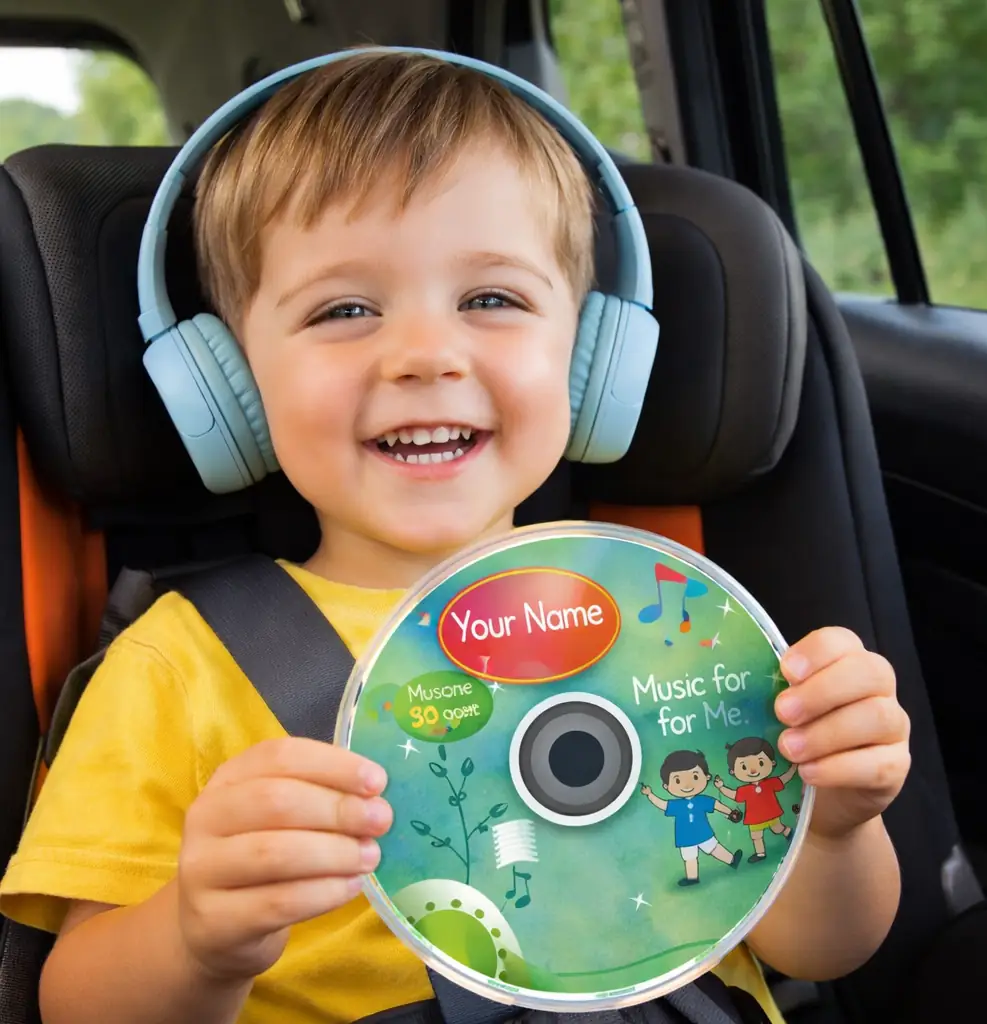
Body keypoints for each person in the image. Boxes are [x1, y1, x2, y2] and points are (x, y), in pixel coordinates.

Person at [0, 48, 912, 1024]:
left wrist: (835, 825)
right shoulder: (177, 668)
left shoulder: (680, 632)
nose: (425, 354)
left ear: (591, 360)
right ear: (229, 387)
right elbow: (75, 1005)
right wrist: (195, 935)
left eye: (491, 299)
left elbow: (818, 944)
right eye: (343, 309)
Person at [642, 750, 742, 885]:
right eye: (678, 780)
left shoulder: (702, 800)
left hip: (704, 833)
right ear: (666, 786)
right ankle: (692, 878)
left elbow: (716, 805)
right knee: (689, 858)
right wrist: (650, 795)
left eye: (695, 777)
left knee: (714, 849)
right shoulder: (676, 805)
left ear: (706, 777)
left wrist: (730, 812)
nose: (687, 785)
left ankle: (732, 860)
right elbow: (662, 805)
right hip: (686, 838)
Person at [715, 737, 799, 863]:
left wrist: (793, 769)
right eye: (744, 767)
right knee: (756, 836)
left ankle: (788, 832)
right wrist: (721, 788)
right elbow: (733, 795)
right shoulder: (745, 790)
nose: (753, 770)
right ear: (733, 771)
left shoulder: (770, 783)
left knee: (777, 828)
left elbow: (784, 778)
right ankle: (760, 853)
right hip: (755, 818)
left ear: (772, 763)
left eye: (760, 763)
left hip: (771, 813)